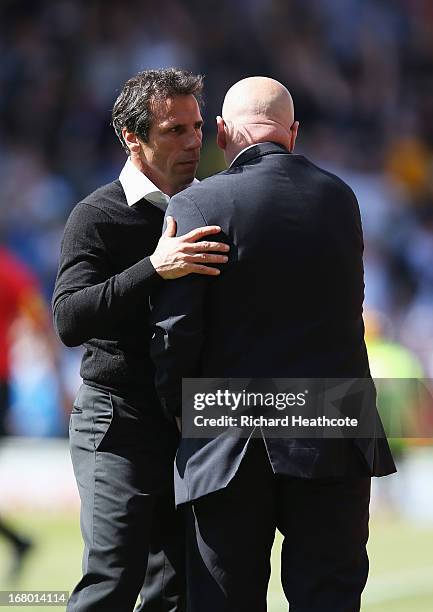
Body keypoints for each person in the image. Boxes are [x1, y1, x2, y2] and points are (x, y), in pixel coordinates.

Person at [150, 77, 397, 612]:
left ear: (220, 132)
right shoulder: (340, 197)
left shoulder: (199, 203)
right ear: (294, 131)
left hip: (230, 426)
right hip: (334, 419)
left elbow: (175, 332)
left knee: (223, 599)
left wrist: (177, 409)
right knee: (329, 597)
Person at [52, 68, 229, 612]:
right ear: (134, 138)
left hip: (192, 424)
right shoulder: (97, 215)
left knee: (175, 590)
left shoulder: (215, 209)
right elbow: (69, 319)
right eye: (175, 130)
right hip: (118, 418)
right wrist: (154, 267)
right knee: (112, 578)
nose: (194, 140)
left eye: (198, 126)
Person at [0, 247, 44, 579]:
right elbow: (39, 320)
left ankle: (17, 541)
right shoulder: (11, 268)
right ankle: (17, 541)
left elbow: (39, 321)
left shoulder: (9, 269)